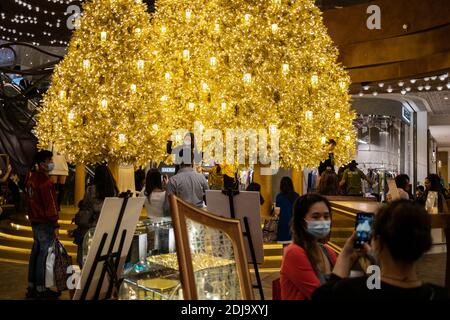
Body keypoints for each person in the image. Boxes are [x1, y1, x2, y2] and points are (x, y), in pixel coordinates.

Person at [312, 200, 448, 300]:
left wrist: (346, 255)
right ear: (424, 243)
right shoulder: (439, 295)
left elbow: (321, 296)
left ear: (376, 241)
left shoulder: (352, 291)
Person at [280, 193, 337, 300]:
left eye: (326, 216)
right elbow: (320, 295)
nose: (322, 221)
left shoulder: (328, 251)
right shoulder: (294, 252)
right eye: (315, 217)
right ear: (302, 222)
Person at [24, 150, 60, 299]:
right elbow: (50, 205)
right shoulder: (45, 182)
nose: (51, 162)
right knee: (43, 255)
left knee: (36, 253)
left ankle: (32, 286)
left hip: (35, 221)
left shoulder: (30, 179)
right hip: (45, 222)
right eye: (49, 160)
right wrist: (55, 224)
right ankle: (41, 289)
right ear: (42, 164)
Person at [74, 164, 119, 267]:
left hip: (91, 226)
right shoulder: (114, 190)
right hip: (106, 226)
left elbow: (86, 206)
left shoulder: (91, 189)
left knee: (86, 255)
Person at [275, 177, 300, 242]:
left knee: (284, 244)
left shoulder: (279, 197)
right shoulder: (296, 195)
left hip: (283, 222)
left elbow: (278, 212)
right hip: (293, 222)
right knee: (293, 244)